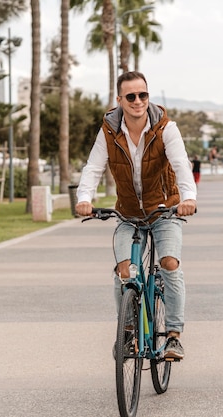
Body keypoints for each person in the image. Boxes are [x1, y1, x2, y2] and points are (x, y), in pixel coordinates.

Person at [75, 71, 197, 360]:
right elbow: (93, 168)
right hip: (128, 214)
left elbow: (181, 165)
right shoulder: (108, 131)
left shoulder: (166, 128)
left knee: (169, 263)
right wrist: (83, 199)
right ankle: (127, 331)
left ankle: (173, 336)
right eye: (131, 96)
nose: (138, 101)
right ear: (119, 100)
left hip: (164, 210)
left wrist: (188, 198)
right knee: (124, 269)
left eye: (143, 95)